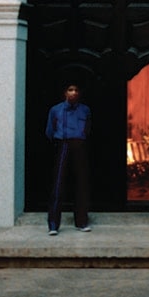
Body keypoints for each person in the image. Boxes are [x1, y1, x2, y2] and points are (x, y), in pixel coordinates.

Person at [45, 83, 92, 235]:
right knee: (58, 183)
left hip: (79, 145)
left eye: (76, 90)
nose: (73, 93)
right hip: (63, 144)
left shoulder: (85, 110)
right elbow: (50, 130)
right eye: (70, 90)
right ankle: (53, 225)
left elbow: (88, 128)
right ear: (65, 92)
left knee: (81, 183)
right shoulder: (56, 110)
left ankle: (81, 222)